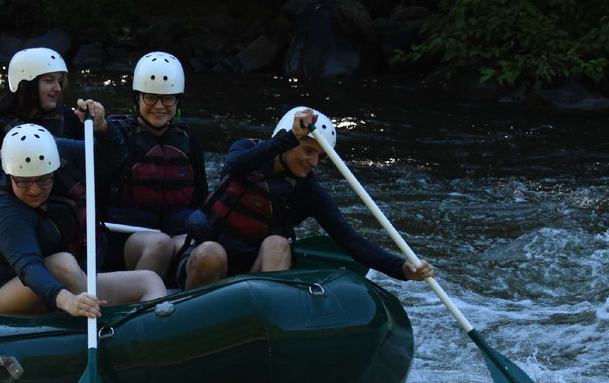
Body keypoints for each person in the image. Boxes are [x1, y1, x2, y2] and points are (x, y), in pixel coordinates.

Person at [178, 106, 435, 290]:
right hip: (204, 263)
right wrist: (289, 137)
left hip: (253, 276)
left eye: (320, 156)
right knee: (211, 252)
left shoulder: (308, 191)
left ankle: (264, 322)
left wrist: (401, 269)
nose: (314, 162)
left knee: (278, 244)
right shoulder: (246, 151)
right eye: (309, 150)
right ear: (285, 140)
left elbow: (351, 240)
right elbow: (234, 165)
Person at [0, 107, 167, 318]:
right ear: (10, 174)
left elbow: (113, 156)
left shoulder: (55, 152)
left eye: (44, 179)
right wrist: (70, 301)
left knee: (150, 280)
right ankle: (100, 315)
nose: (35, 189)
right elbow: (30, 268)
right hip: (2, 292)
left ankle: (142, 335)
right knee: (61, 263)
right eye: (24, 182)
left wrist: (103, 128)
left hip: (67, 274)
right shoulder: (1, 211)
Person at [105, 52, 207, 281]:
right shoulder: (118, 133)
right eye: (150, 97)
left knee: (207, 249)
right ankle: (141, 305)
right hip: (127, 237)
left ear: (178, 101)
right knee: (159, 243)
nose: (159, 106)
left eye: (167, 98)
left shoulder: (188, 139)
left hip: (175, 233)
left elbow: (202, 197)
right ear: (137, 98)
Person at [0, 47, 82, 171]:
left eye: (60, 81)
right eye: (49, 80)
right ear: (24, 84)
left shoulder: (69, 118)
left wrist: (99, 126)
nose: (58, 88)